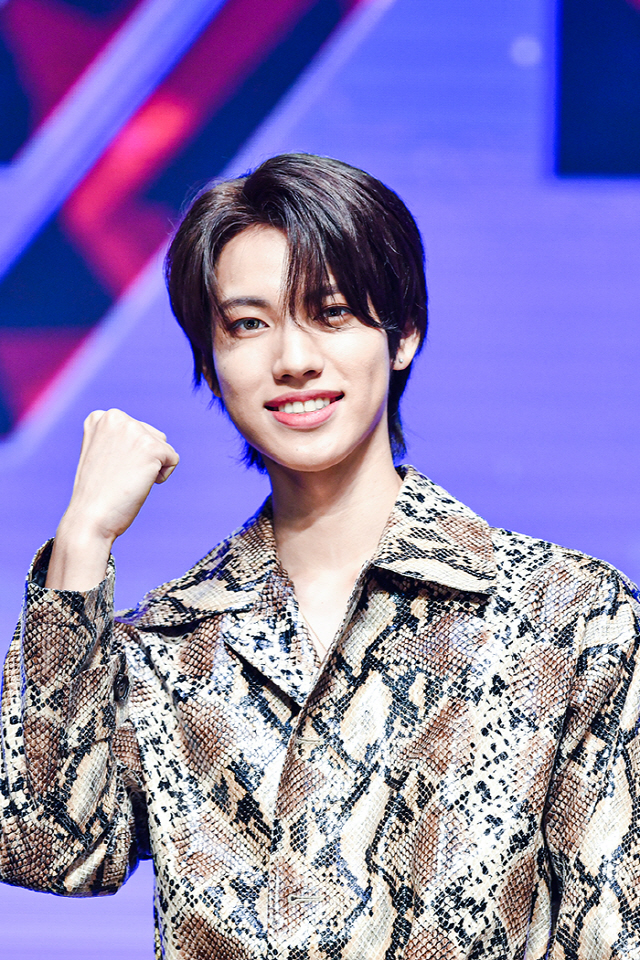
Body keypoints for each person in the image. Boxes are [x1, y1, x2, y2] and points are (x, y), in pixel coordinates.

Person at [0, 153, 638, 960]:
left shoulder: (567, 617)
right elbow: (48, 847)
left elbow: (613, 930)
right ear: (210, 365)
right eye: (248, 324)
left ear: (403, 334)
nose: (293, 359)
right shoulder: (168, 647)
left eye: (330, 313)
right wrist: (83, 541)